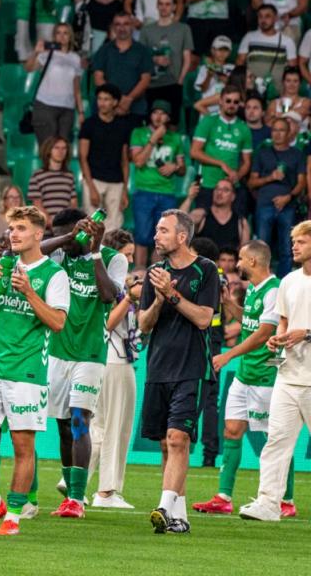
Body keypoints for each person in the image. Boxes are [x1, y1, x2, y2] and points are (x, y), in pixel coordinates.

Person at [0, 205, 69, 536]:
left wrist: (29, 292)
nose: (13, 234)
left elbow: (57, 322)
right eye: (11, 229)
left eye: (21, 228)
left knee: (23, 448)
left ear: (39, 234)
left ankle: (13, 516)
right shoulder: (3, 264)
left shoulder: (54, 275)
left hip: (27, 374)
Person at [195, 240, 296, 517]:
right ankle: (224, 497)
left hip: (265, 375)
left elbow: (264, 333)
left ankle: (285, 500)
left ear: (252, 261)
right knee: (231, 431)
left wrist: (229, 355)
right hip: (244, 376)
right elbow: (250, 322)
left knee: (272, 438)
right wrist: (230, 305)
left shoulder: (275, 291)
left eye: (240, 259)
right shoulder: (253, 289)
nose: (236, 264)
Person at [138, 209, 220, 534]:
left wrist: (172, 295)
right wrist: (158, 300)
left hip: (191, 367)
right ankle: (180, 517)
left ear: (181, 236)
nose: (155, 236)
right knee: (167, 444)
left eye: (162, 231)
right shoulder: (155, 272)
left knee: (177, 438)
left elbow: (203, 318)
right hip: (158, 366)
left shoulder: (206, 270)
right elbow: (143, 324)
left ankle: (163, 506)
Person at [40, 209, 127, 517]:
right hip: (58, 351)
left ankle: (76, 499)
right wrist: (65, 238)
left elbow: (107, 295)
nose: (62, 243)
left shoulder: (114, 259)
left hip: (91, 354)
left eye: (68, 235)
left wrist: (93, 252)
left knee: (80, 420)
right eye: (59, 234)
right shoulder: (61, 255)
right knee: (63, 425)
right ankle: (69, 487)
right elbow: (31, 254)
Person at [238, 221, 311, 522]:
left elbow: (300, 326)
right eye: (294, 241)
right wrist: (278, 338)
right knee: (276, 440)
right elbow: (283, 319)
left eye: (302, 242)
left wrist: (305, 332)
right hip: (288, 375)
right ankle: (269, 503)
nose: (294, 246)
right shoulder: (289, 281)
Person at [88, 230, 139, 509]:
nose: (129, 260)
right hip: (116, 359)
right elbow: (107, 323)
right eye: (126, 254)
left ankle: (75, 479)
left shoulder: (99, 283)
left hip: (103, 358)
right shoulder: (114, 289)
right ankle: (106, 491)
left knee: (99, 426)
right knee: (116, 428)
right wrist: (130, 299)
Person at [130, 101, 187, 269]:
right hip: (144, 192)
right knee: (141, 236)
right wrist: (153, 139)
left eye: (163, 113)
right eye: (155, 112)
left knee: (162, 237)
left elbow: (182, 169)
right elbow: (139, 161)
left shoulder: (175, 138)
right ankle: (139, 272)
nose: (158, 116)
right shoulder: (138, 133)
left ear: (168, 117)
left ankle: (155, 274)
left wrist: (175, 167)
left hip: (167, 193)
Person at [248, 117, 305, 277]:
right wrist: (270, 177)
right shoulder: (262, 153)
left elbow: (301, 183)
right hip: (264, 203)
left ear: (289, 133)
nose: (277, 134)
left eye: (281, 130)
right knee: (261, 247)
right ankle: (260, 280)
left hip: (288, 205)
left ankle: (284, 283)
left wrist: (288, 197)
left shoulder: (297, 154)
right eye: (274, 130)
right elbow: (251, 182)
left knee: (287, 249)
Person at [190, 86, 252, 212]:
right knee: (202, 225)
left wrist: (237, 176)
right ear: (220, 102)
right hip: (208, 183)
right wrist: (221, 163)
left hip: (231, 187)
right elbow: (194, 152)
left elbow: (247, 162)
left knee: (234, 227)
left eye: (235, 102)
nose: (231, 105)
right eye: (228, 101)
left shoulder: (244, 128)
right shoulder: (208, 122)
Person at [78, 84, 131, 231]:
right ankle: (93, 255)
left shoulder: (123, 126)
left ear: (115, 102)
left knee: (114, 226)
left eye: (106, 99)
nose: (102, 103)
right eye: (100, 99)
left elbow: (125, 160)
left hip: (116, 181)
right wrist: (91, 187)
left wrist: (125, 190)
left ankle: (110, 255)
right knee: (92, 227)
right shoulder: (89, 124)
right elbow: (83, 157)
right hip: (94, 179)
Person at [26, 23, 84, 145]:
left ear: (70, 36)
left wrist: (81, 112)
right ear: (54, 36)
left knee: (63, 146)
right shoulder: (47, 54)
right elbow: (29, 68)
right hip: (46, 104)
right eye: (58, 33)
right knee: (48, 145)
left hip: (67, 108)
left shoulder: (75, 58)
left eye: (65, 33)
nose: (62, 36)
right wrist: (36, 53)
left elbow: (77, 89)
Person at [139, 0, 193, 120]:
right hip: (152, 84)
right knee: (152, 121)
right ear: (157, 6)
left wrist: (180, 81)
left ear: (174, 7)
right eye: (161, 4)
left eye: (168, 4)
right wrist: (155, 59)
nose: (164, 7)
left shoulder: (183, 29)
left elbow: (187, 57)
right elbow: (141, 56)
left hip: (173, 82)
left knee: (173, 121)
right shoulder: (147, 30)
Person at [92, 12, 153, 127]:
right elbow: (98, 78)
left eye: (126, 24)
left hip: (136, 109)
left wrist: (128, 99)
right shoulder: (104, 50)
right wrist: (116, 100)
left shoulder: (143, 51)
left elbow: (145, 80)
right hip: (108, 111)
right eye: (118, 24)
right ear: (113, 27)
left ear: (132, 26)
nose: (122, 28)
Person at [236, 3, 298, 97]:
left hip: (277, 92)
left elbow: (292, 69)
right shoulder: (249, 38)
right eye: (260, 17)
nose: (263, 20)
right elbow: (240, 63)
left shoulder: (287, 41)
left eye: (267, 16)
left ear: (276, 18)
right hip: (251, 91)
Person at [181, 177, 251, 251]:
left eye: (225, 190)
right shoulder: (201, 215)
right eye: (217, 189)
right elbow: (179, 223)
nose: (219, 192)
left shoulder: (241, 223)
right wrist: (189, 198)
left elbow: (244, 254)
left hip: (228, 261)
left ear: (233, 196)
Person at [27, 136, 77, 226]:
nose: (60, 151)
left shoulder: (70, 176)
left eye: (64, 148)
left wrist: (66, 222)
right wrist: (52, 223)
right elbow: (37, 204)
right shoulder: (37, 175)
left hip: (65, 230)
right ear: (49, 150)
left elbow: (73, 203)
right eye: (56, 148)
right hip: (45, 231)